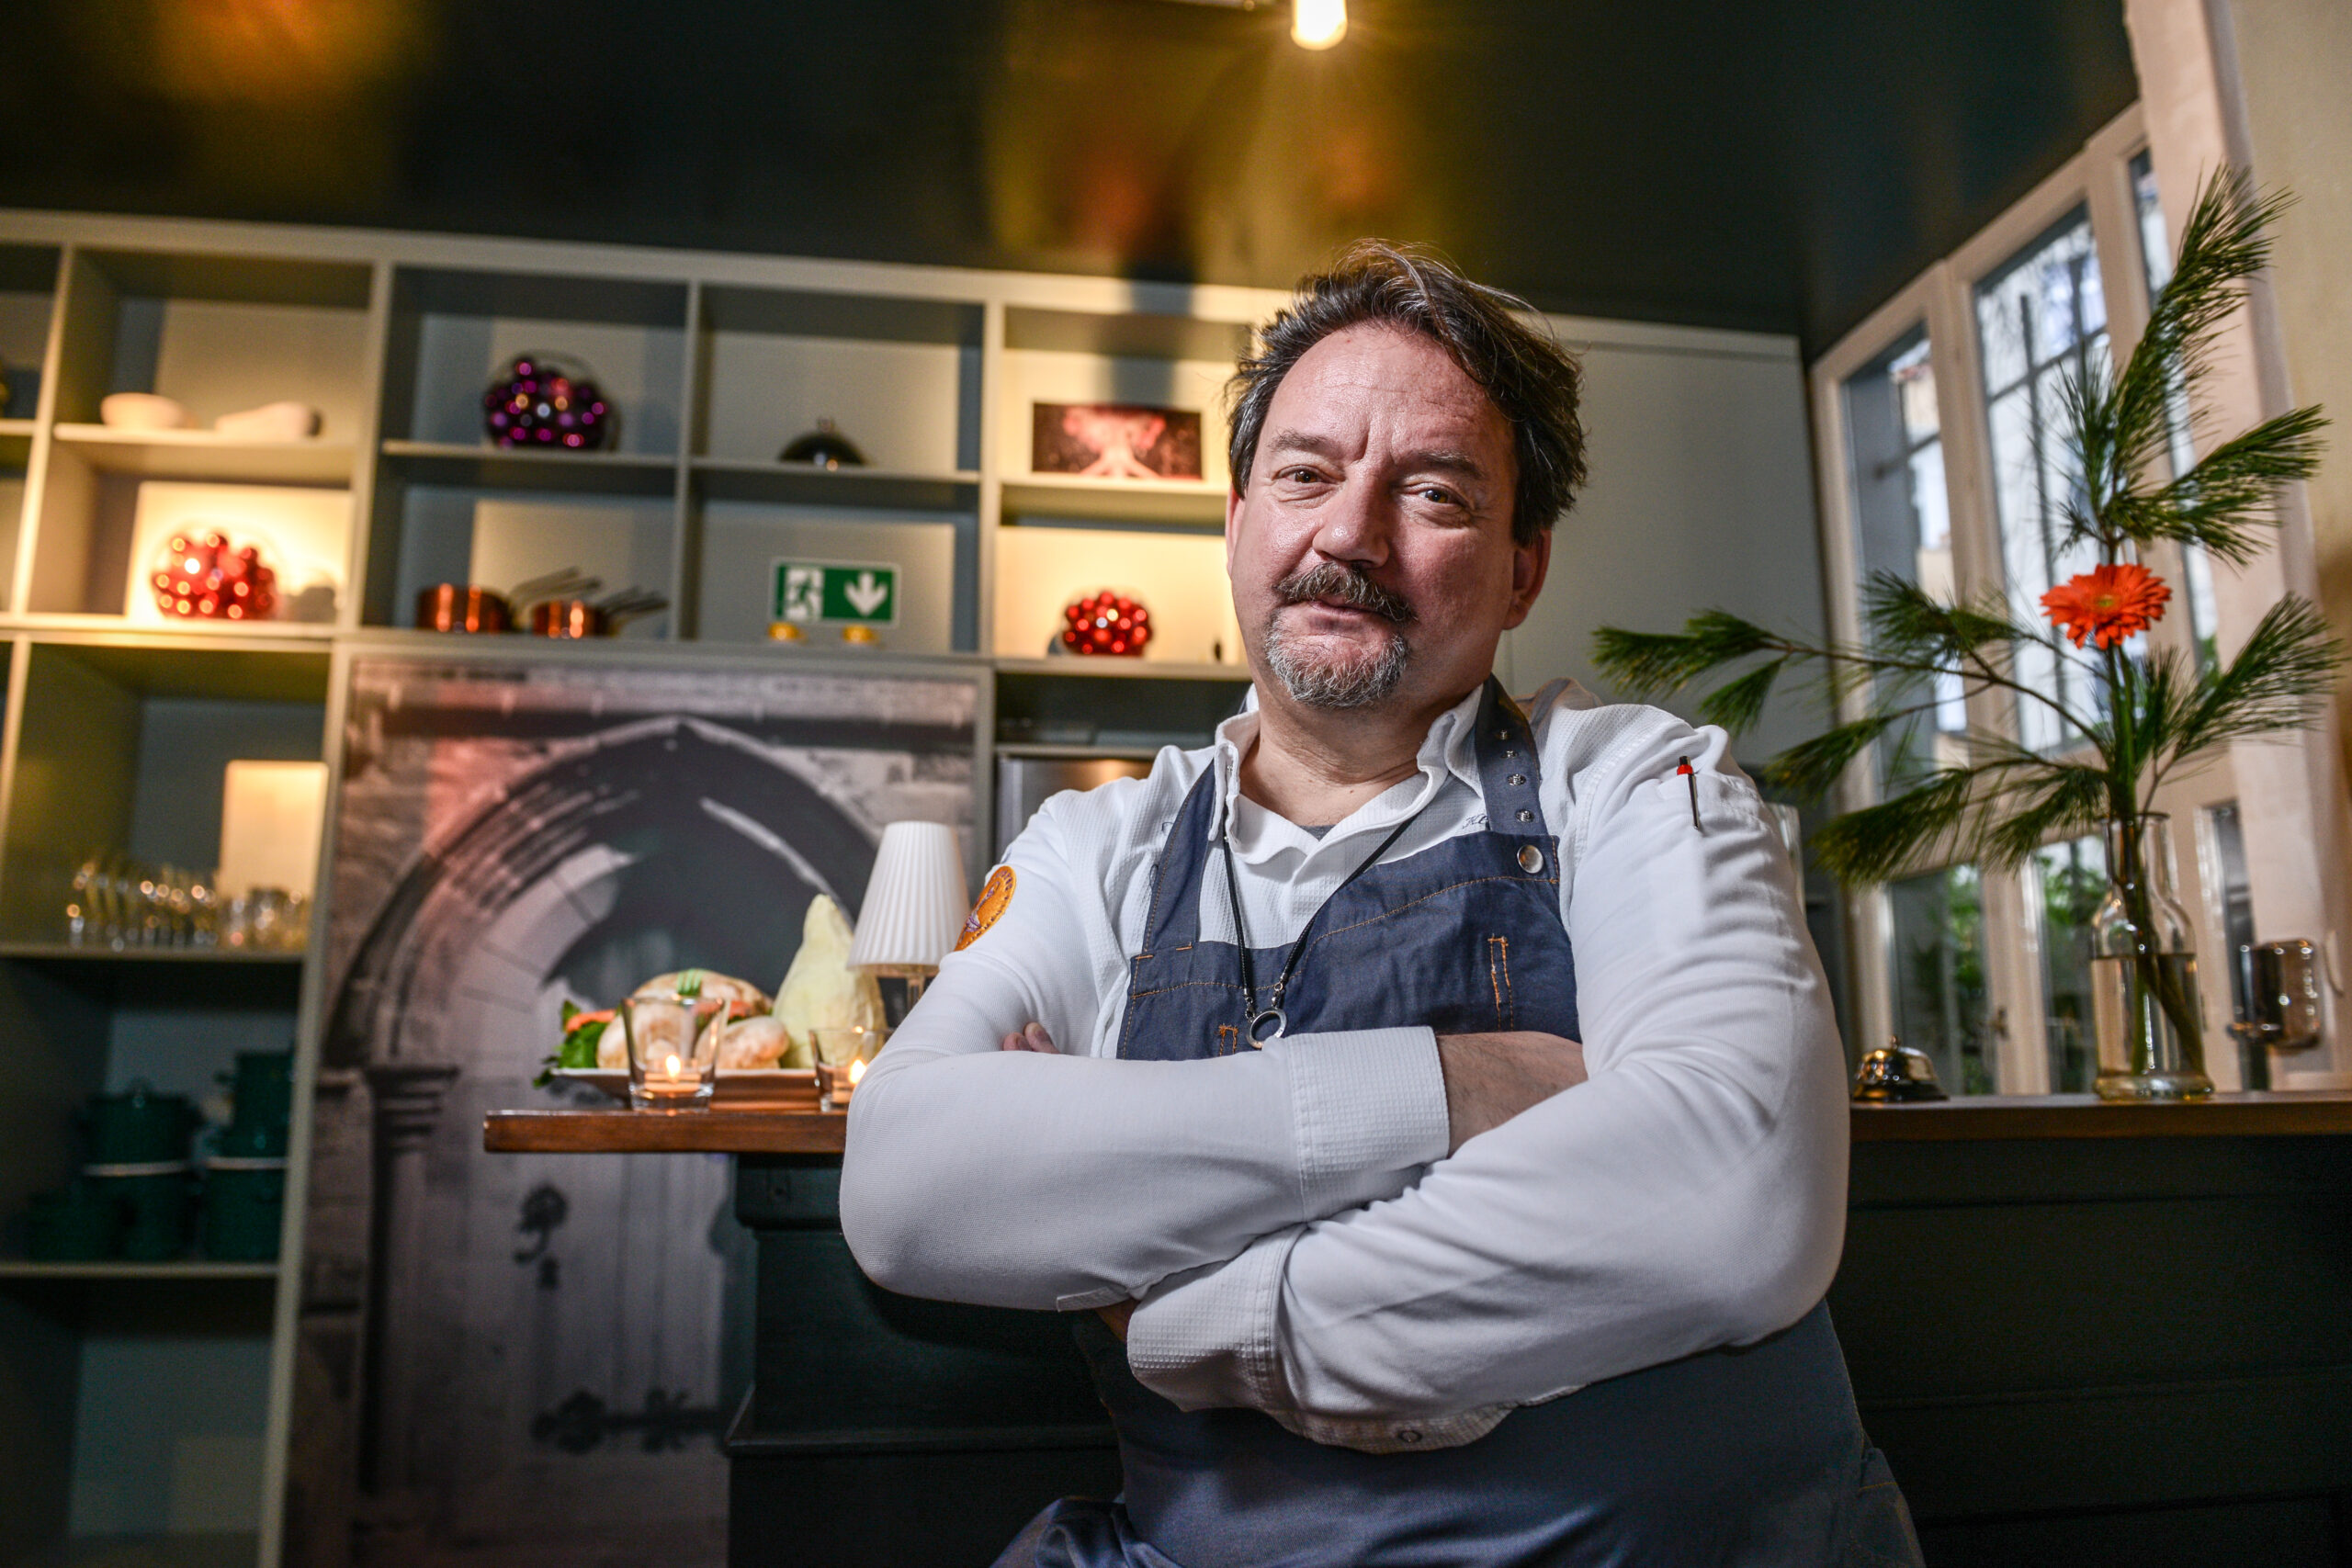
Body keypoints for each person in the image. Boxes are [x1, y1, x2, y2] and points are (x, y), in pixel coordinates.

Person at [840, 242, 1922, 1568]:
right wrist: (1457, 1093)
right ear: (1238, 523)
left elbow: (1729, 1200)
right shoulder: (1093, 848)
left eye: (1433, 492)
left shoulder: (1640, 782)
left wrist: (1191, 1311)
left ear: (1523, 570)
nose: (1347, 535)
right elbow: (909, 1184)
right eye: (1302, 474)